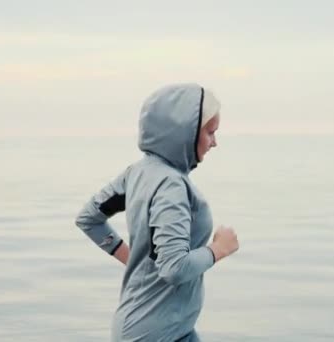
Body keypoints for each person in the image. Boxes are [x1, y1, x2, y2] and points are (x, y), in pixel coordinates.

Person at [75, 83, 239, 341]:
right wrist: (219, 249)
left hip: (174, 328)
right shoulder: (171, 186)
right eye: (210, 132)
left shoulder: (138, 173)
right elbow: (174, 269)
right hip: (153, 333)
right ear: (184, 131)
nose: (215, 142)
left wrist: (135, 263)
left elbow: (89, 220)